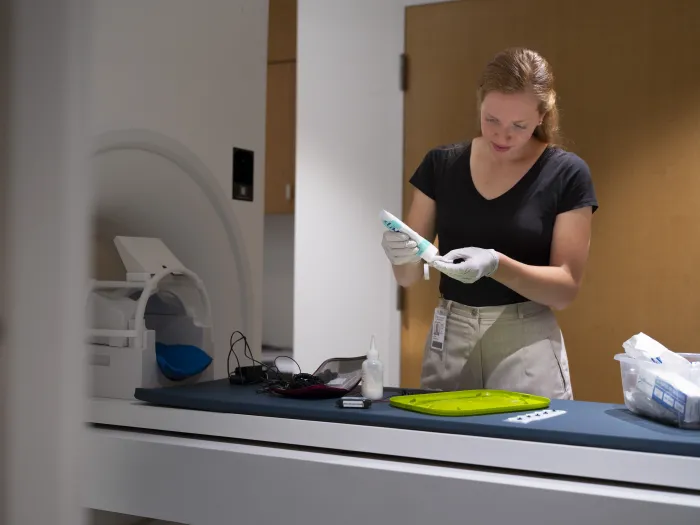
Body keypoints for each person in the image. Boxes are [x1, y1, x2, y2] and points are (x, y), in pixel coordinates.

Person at [381, 47, 598, 399]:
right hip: (449, 336)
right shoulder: (441, 165)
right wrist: (401, 254)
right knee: (445, 450)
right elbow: (407, 278)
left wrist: (497, 265)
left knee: (526, 450)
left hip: (525, 341)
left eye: (519, 125)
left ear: (542, 115)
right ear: (479, 103)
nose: (502, 135)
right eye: (491, 119)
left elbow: (565, 289)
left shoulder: (566, 173)